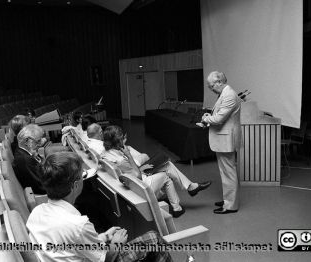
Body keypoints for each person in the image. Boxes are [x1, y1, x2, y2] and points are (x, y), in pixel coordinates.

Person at [26, 151, 172, 262]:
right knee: (154, 238)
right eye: (82, 175)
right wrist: (116, 243)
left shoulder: (36, 212)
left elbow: (72, 246)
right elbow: (106, 258)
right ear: (76, 185)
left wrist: (103, 236)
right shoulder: (79, 224)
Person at [101, 125, 211, 218]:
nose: (126, 139)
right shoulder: (121, 159)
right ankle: (177, 207)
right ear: (119, 140)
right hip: (138, 185)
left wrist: (139, 167)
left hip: (131, 180)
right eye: (124, 138)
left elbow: (136, 165)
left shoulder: (107, 153)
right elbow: (137, 176)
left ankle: (189, 189)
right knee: (166, 176)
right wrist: (130, 156)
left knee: (167, 165)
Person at [201, 71, 241, 214]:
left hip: (226, 140)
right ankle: (228, 200)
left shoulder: (229, 95)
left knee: (229, 173)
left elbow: (219, 119)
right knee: (226, 172)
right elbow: (218, 115)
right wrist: (209, 115)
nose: (211, 89)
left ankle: (230, 206)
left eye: (211, 86)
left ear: (219, 82)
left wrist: (206, 119)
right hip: (223, 139)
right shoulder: (224, 93)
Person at [12, 124, 46, 194]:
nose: (39, 144)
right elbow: (40, 188)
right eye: (38, 141)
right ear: (26, 141)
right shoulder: (25, 160)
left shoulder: (25, 152)